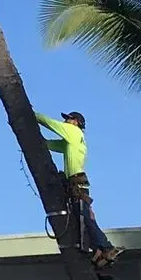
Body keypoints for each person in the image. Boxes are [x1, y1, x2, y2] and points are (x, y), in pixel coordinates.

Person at [37, 108, 120, 271]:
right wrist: (38, 141)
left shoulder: (74, 132)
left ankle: (106, 247)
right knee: (81, 219)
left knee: (85, 219)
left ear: (76, 122)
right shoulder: (73, 140)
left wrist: (32, 115)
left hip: (77, 184)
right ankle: (97, 252)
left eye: (68, 119)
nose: (65, 122)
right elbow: (51, 145)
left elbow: (50, 123)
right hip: (76, 184)